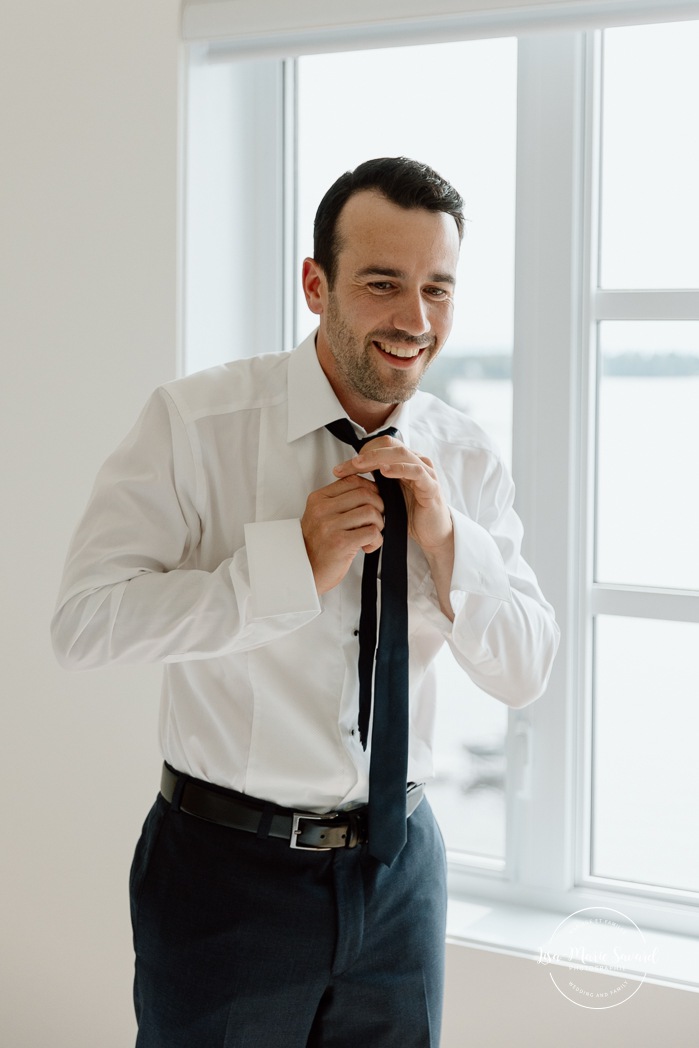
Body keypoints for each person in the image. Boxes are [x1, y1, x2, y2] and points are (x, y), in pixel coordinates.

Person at [52, 156, 559, 1047]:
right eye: (382, 284)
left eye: (438, 290)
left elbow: (524, 670)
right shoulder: (192, 425)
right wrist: (288, 564)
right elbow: (84, 627)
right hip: (222, 875)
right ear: (314, 283)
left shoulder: (465, 458)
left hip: (401, 872)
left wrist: (448, 542)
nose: (414, 321)